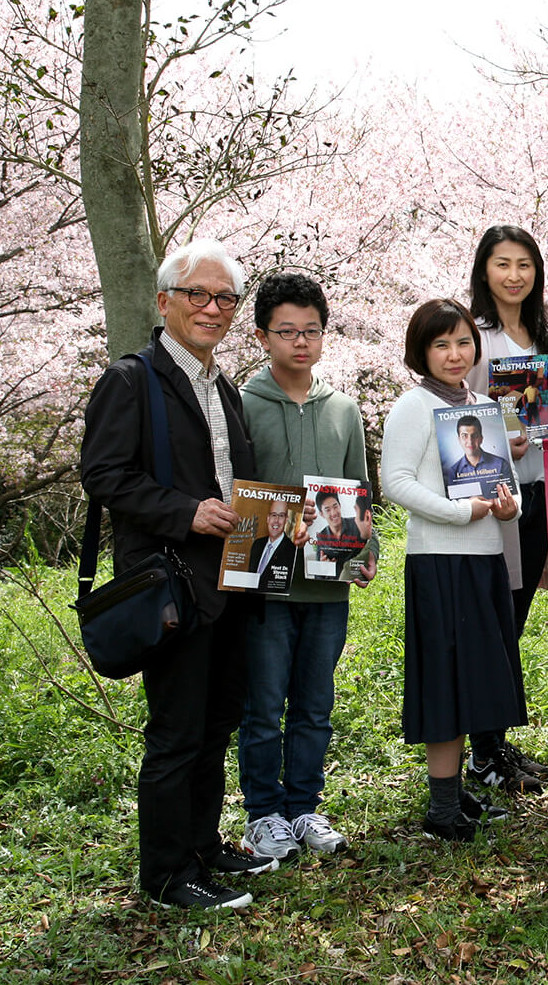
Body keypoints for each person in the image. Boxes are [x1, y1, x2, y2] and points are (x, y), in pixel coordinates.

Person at [79, 237, 275, 910]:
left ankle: (201, 846)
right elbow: (103, 475)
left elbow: (234, 479)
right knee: (176, 732)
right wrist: (184, 513)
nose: (213, 307)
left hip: (231, 585)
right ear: (165, 301)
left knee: (217, 723)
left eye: (225, 297)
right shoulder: (131, 379)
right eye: (199, 294)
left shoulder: (223, 384)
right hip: (173, 584)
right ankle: (165, 876)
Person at [237, 272, 376, 863]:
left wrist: (364, 553)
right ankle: (262, 815)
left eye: (311, 331)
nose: (300, 342)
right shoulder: (240, 404)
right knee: (263, 707)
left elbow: (358, 494)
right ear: (263, 336)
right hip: (264, 586)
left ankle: (303, 808)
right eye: (286, 331)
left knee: (316, 704)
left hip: (327, 585)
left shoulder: (343, 409)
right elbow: (233, 491)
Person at [382, 298, 526, 842]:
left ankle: (455, 792)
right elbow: (395, 482)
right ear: (421, 350)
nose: (454, 353)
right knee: (444, 680)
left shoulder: (487, 407)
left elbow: (503, 484)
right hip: (439, 560)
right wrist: (460, 512)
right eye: (441, 344)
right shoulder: (411, 407)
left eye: (463, 342)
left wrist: (509, 507)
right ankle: (442, 809)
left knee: (474, 678)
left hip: (486, 557)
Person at [465, 225, 548, 794]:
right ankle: (485, 750)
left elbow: (542, 419)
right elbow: (461, 420)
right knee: (493, 620)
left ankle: (496, 742)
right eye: (503, 264)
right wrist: (503, 445)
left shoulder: (538, 335)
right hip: (497, 497)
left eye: (525, 264)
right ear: (484, 271)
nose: (514, 275)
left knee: (515, 620)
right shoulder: (475, 336)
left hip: (538, 489)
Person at [249, 500, 298, 592]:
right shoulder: (257, 544)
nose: (276, 521)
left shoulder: (292, 549)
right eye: (274, 515)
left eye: (281, 516)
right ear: (268, 518)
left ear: (286, 520)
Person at [312, 491, 364, 565]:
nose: (333, 513)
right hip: (334, 576)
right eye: (328, 510)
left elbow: (371, 538)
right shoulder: (321, 537)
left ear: (340, 506)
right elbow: (318, 573)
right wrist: (324, 567)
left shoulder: (357, 524)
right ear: (322, 514)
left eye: (335, 506)